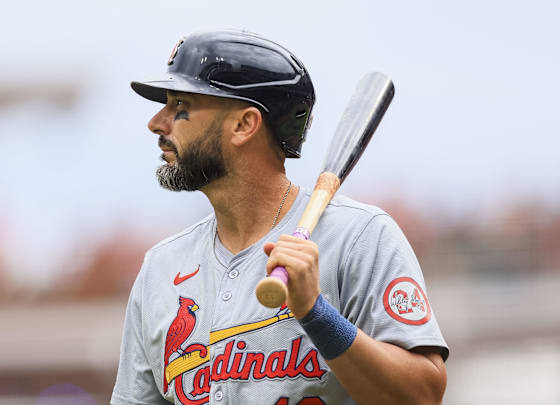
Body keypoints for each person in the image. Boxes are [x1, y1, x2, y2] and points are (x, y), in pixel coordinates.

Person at [111, 30, 448, 405]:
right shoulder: (161, 267)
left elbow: (422, 396)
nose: (157, 123)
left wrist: (316, 313)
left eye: (181, 105)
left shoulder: (360, 237)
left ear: (244, 125)